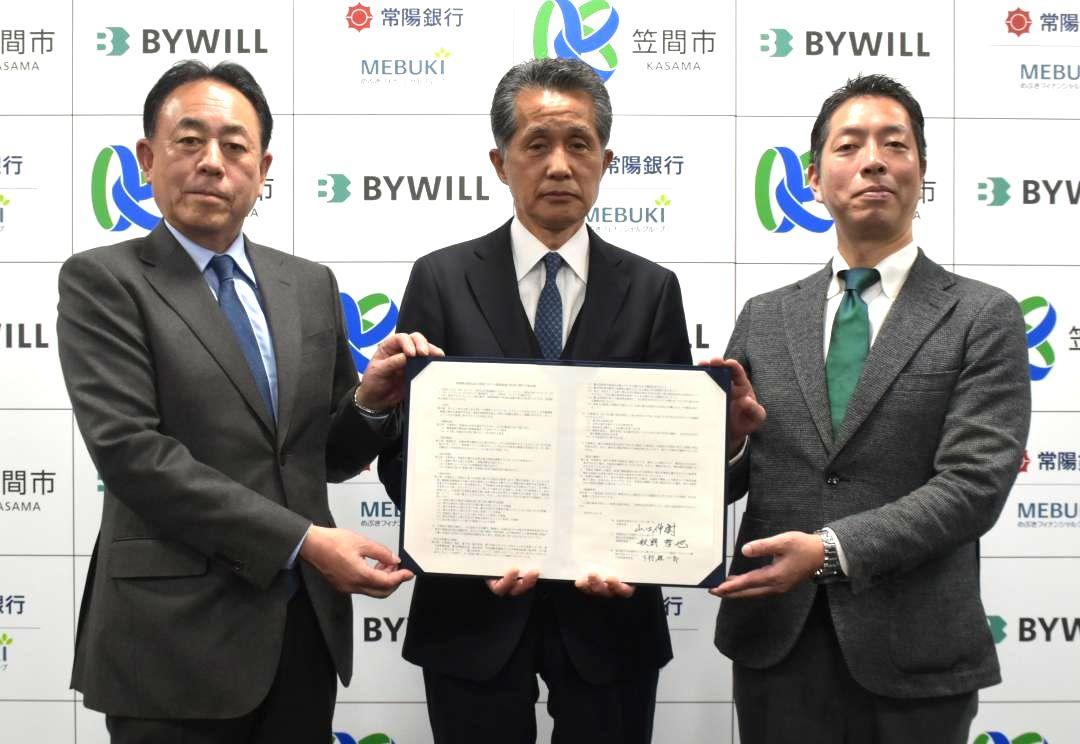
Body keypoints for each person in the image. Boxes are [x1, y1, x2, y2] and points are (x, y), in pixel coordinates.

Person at [57, 60, 440, 743]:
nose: (212, 162)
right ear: (146, 158)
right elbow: (132, 455)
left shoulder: (308, 285)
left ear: (262, 170)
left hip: (301, 633)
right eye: (189, 141)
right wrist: (305, 542)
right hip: (171, 641)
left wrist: (372, 401)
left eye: (235, 147)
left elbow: (323, 456)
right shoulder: (104, 282)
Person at [377, 57, 691, 743]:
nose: (559, 166)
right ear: (499, 162)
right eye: (536, 144)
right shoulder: (441, 279)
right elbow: (404, 454)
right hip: (470, 612)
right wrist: (464, 537)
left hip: (611, 616)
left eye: (579, 144)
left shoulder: (652, 290)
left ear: (606, 161)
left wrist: (636, 555)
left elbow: (668, 465)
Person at [709, 73, 1030, 743]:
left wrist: (832, 551)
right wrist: (732, 444)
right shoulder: (765, 317)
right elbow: (725, 481)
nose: (874, 161)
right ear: (813, 178)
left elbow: (974, 485)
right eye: (849, 145)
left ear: (922, 171)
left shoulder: (982, 315)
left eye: (895, 144)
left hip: (917, 652)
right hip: (777, 645)